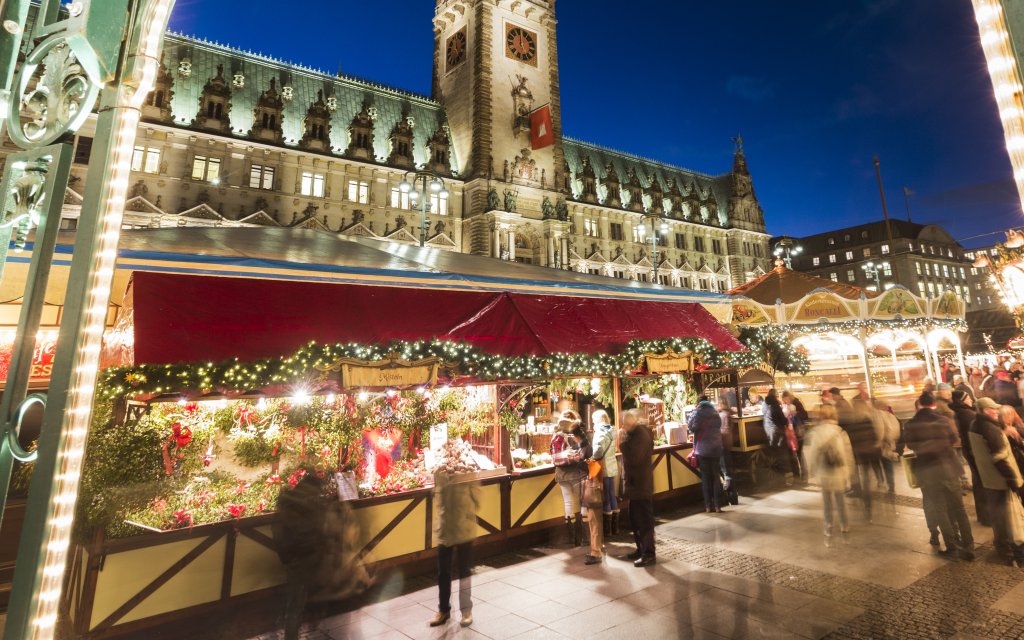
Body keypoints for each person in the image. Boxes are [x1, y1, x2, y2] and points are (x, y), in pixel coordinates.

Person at [903, 391, 976, 560]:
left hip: (929, 471)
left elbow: (910, 444)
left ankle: (952, 546)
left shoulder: (911, 424)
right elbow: (953, 439)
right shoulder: (943, 420)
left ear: (920, 404)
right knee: (958, 508)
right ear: (933, 404)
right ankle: (969, 544)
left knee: (940, 508)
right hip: (949, 468)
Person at [970, 398, 1024, 567]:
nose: (995, 412)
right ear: (984, 410)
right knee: (1007, 517)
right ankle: (1009, 551)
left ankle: (1002, 547)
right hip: (1000, 480)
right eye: (992, 410)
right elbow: (1000, 458)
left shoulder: (975, 425)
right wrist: (1013, 480)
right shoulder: (990, 428)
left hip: (989, 478)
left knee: (998, 515)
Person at [274, 470, 324, 640]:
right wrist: (289, 557)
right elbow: (284, 533)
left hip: (302, 558)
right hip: (299, 559)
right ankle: (290, 635)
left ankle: (293, 630)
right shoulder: (297, 506)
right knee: (295, 602)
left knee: (299, 600)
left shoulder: (298, 503)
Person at [430, 472, 481, 627]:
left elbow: (477, 499)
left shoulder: (468, 471)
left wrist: (467, 513)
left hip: (464, 528)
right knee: (443, 572)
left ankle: (466, 611)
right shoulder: (439, 472)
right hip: (445, 528)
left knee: (464, 571)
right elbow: (436, 497)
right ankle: (443, 610)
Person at [808, 404, 854, 544]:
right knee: (840, 500)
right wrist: (849, 470)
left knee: (827, 502)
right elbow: (848, 453)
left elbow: (813, 454)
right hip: (839, 471)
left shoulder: (817, 432)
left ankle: (828, 527)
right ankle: (844, 525)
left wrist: (812, 470)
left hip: (824, 472)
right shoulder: (840, 432)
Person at [620, 408, 655, 567]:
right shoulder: (636, 434)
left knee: (644, 521)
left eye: (624, 425)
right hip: (637, 485)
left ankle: (648, 553)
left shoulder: (640, 435)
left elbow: (634, 459)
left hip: (641, 485)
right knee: (635, 519)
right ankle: (641, 548)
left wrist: (622, 444)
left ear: (630, 423)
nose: (623, 428)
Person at [838, 389, 881, 520]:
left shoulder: (851, 424)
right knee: (867, 480)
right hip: (870, 454)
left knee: (859, 478)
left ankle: (861, 496)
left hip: (858, 455)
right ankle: (868, 505)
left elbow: (849, 440)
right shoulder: (868, 421)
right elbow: (875, 437)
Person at [551, 410, 591, 547]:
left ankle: (572, 539)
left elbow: (552, 455)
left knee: (568, 503)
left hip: (561, 473)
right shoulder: (576, 435)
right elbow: (585, 452)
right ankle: (585, 538)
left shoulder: (556, 436)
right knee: (583, 503)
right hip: (576, 472)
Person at [952, 391, 990, 526]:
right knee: (981, 482)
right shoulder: (967, 414)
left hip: (970, 451)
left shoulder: (962, 412)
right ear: (961, 401)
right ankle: (986, 516)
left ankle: (984, 515)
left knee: (978, 481)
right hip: (974, 451)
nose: (970, 400)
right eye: (967, 398)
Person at [587, 409, 618, 565]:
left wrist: (592, 456)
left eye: (593, 421)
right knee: (612, 496)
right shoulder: (613, 430)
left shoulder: (601, 432)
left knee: (605, 497)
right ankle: (615, 528)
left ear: (598, 420)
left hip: (603, 468)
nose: (593, 424)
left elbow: (598, 450)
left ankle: (607, 530)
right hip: (612, 466)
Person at [688, 395, 725, 513]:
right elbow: (719, 426)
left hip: (703, 449)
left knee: (705, 478)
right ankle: (718, 505)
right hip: (716, 447)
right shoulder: (715, 412)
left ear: (698, 402)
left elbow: (691, 427)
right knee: (715, 477)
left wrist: (694, 411)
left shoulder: (697, 412)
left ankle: (709, 506)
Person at [762, 389, 792, 483]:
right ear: (775, 396)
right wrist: (787, 422)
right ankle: (783, 479)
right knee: (782, 455)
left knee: (774, 454)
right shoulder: (775, 406)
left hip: (769, 432)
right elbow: (783, 420)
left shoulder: (765, 404)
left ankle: (777, 479)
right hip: (777, 433)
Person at [872, 399, 901, 495]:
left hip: (882, 444)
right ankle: (891, 485)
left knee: (877, 463)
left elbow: (880, 429)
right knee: (888, 465)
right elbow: (897, 430)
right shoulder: (891, 416)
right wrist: (893, 442)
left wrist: (879, 441)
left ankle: (881, 480)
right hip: (890, 444)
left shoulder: (877, 414)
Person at [717, 398, 734, 488]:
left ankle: (728, 486)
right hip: (728, 441)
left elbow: (723, 429)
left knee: (724, 465)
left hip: (722, 441)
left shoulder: (722, 414)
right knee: (727, 463)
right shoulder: (728, 413)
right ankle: (731, 486)